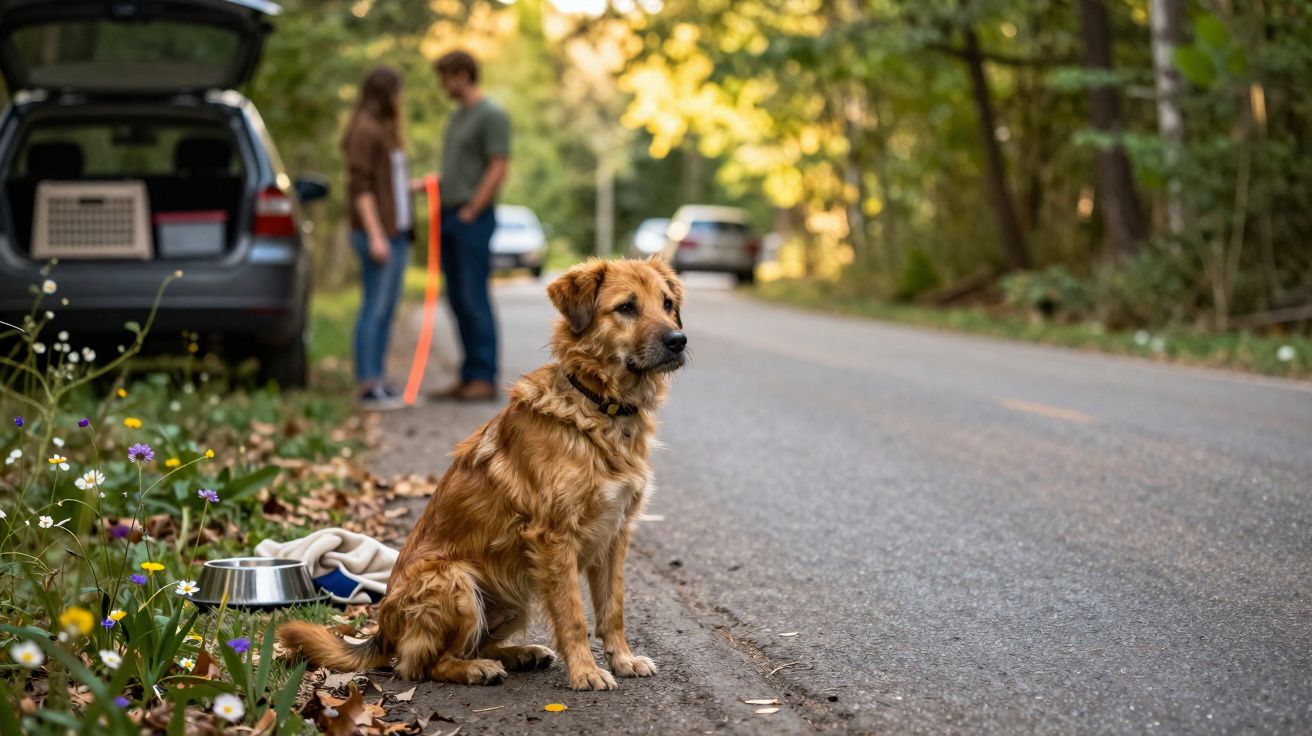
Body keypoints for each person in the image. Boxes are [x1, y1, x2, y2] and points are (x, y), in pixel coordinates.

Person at [429, 50, 510, 401]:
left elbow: (498, 165)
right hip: (447, 213)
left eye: (446, 77)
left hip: (472, 217)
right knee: (457, 296)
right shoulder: (456, 117)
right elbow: (458, 169)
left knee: (474, 295)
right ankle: (467, 374)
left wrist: (474, 207)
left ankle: (484, 376)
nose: (443, 85)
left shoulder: (491, 114)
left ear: (463, 75)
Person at [343, 66, 414, 411]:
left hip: (395, 233)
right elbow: (361, 188)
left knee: (386, 309)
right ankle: (368, 383)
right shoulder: (365, 130)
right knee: (374, 308)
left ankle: (379, 379)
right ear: (385, 93)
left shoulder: (386, 132)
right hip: (377, 234)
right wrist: (375, 235)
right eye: (397, 91)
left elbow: (387, 185)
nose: (401, 99)